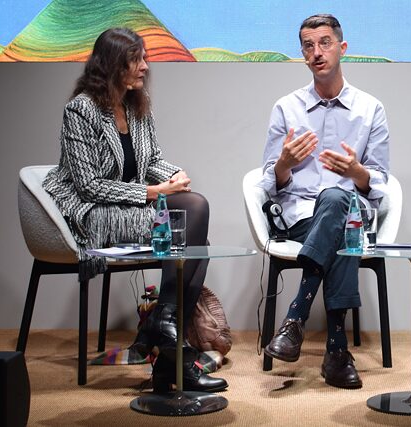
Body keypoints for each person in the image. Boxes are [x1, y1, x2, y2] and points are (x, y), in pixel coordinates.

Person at [41, 27, 225, 393]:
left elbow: (152, 158)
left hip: (129, 204)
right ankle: (169, 338)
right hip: (95, 213)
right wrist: (155, 191)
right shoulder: (80, 110)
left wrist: (173, 174)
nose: (145, 66)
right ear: (113, 64)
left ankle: (163, 329)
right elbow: (88, 185)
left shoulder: (136, 104)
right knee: (193, 219)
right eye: (136, 59)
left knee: (194, 223)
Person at [259, 14, 390, 389]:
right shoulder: (287, 107)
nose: (317, 52)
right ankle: (336, 350)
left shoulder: (370, 109)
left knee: (339, 201)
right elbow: (271, 180)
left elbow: (379, 182)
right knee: (339, 221)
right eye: (308, 46)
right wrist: (284, 163)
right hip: (301, 216)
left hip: (350, 212)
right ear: (302, 54)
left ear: (342, 48)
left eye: (325, 43)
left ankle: (295, 319)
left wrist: (356, 172)